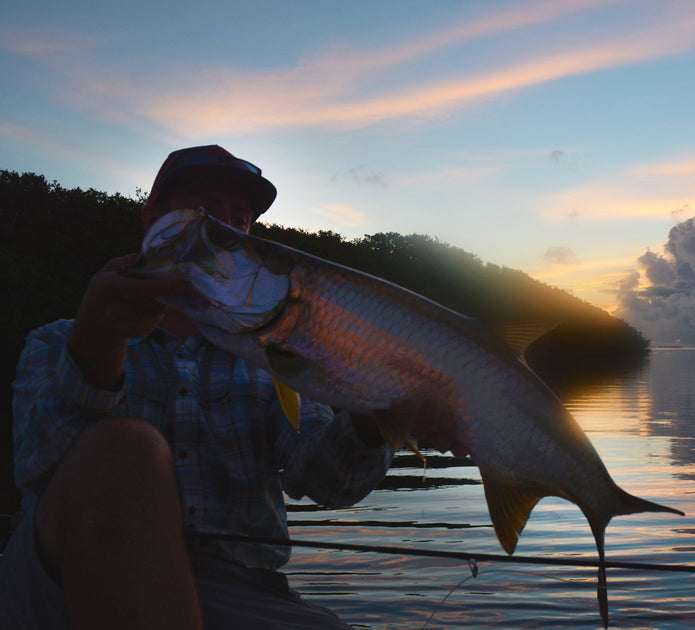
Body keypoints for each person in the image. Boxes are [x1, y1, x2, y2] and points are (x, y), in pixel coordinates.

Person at [0, 145, 415, 629]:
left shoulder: (277, 360)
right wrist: (100, 341)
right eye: (202, 211)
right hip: (62, 581)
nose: (222, 229)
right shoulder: (57, 341)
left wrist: (376, 409)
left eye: (239, 221)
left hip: (242, 593)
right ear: (152, 215)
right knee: (126, 445)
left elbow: (327, 481)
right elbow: (38, 468)